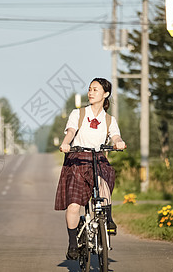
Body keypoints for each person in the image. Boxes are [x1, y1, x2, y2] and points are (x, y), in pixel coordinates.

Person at [54, 77, 126, 261]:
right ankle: (72, 244)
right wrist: (65, 144)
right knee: (74, 205)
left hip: (98, 158)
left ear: (106, 94)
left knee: (104, 182)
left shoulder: (109, 119)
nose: (91, 92)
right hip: (77, 160)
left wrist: (119, 143)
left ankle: (107, 219)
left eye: (95, 89)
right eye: (90, 89)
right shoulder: (77, 114)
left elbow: (116, 136)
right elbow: (70, 132)